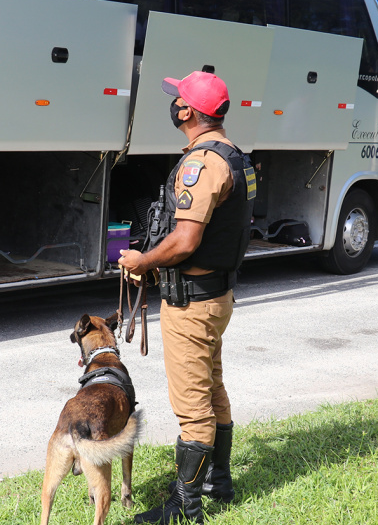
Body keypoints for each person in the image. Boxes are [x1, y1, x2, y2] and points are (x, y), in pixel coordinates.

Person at [118, 70, 255, 524]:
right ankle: (219, 482)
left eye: (178, 99)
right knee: (213, 389)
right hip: (216, 297)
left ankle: (185, 509)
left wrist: (144, 262)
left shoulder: (202, 164)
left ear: (188, 112)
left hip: (191, 306)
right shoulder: (234, 155)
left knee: (192, 406)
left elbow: (186, 239)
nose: (174, 104)